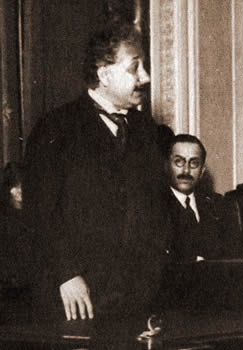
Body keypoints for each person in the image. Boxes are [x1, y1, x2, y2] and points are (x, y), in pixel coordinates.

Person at [22, 22, 169, 321]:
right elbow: (40, 213)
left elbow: (156, 209)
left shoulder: (145, 129)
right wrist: (66, 275)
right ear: (104, 74)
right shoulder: (57, 128)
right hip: (79, 299)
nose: (146, 77)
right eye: (135, 68)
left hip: (138, 298)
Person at [162, 134, 227, 262]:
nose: (186, 171)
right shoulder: (154, 207)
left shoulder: (217, 206)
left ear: (202, 170)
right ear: (167, 166)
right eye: (178, 162)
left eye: (194, 163)